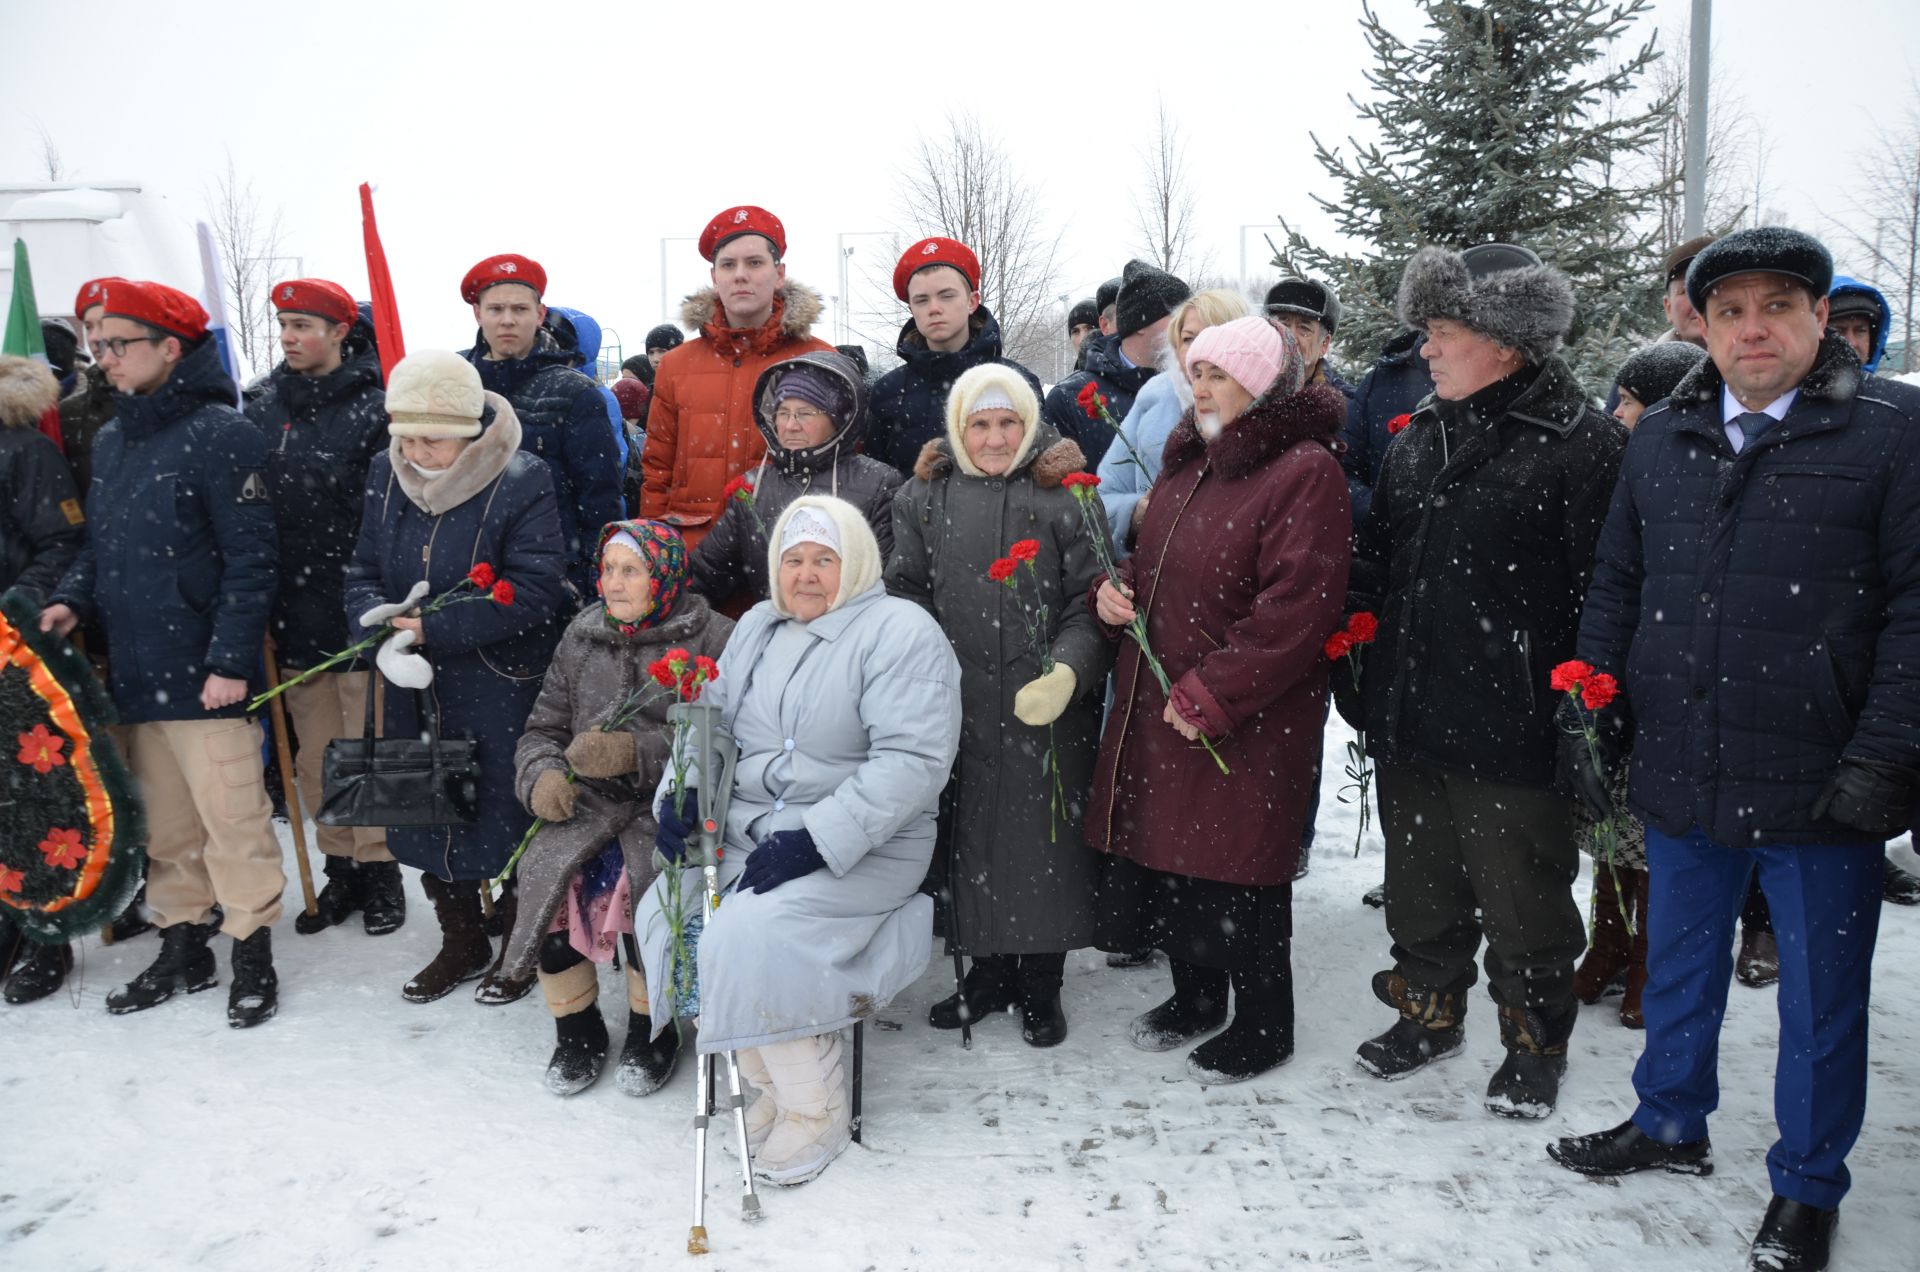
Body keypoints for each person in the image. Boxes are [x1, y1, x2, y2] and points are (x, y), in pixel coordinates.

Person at [1549, 228, 1920, 1272]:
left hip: (1823, 773)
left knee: (1819, 1003)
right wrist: (1596, 696)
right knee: (1676, 966)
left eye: (1778, 306)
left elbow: (1917, 612)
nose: (1753, 328)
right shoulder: (1665, 437)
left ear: (1815, 317)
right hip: (1684, 754)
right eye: (1730, 311)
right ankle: (1668, 1120)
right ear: (1701, 326)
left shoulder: (1893, 433)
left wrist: (1887, 753)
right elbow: (1617, 580)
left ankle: (1807, 1186)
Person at [1343, 245, 1625, 1118]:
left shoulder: (1583, 447)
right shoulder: (1419, 437)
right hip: (1412, 713)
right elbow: (1379, 567)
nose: (1425, 349)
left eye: (1444, 332)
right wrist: (1363, 656)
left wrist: (1583, 717)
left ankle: (1534, 1044)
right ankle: (1427, 1013)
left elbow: (1606, 596)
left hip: (1514, 726)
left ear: (1506, 341)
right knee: (1421, 885)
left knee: (1524, 899)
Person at [634, 494, 961, 1186]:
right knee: (672, 912)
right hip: (752, 829)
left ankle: (815, 1108)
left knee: (751, 932)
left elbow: (913, 762)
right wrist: (684, 791)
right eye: (793, 560)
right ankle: (770, 1087)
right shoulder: (757, 625)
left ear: (856, 564)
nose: (805, 576)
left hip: (867, 843)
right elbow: (709, 724)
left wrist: (817, 839)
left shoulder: (900, 631)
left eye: (823, 560)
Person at [1088, 315, 1351, 1083]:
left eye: (1217, 375)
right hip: (1163, 698)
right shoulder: (1189, 462)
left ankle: (1266, 1024)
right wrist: (1118, 590)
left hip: (1249, 714)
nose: (1198, 387)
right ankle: (1195, 998)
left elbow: (1297, 608)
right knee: (1174, 860)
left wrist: (1213, 691)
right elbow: (1153, 560)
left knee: (1242, 871)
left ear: (1262, 385)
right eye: (1194, 373)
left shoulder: (1303, 470)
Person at [40, 281, 285, 1028]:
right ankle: (184, 944)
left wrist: (230, 662)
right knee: (166, 830)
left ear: (170, 349)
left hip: (207, 676)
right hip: (137, 675)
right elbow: (100, 546)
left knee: (234, 822)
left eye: (118, 344)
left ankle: (251, 952)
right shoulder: (113, 438)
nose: (102, 358)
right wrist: (72, 599)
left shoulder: (222, 433)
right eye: (98, 345)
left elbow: (253, 560)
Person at [888, 363, 1111, 1047]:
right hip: (957, 700)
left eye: (1007, 422)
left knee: (1043, 842)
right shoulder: (924, 496)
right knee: (970, 838)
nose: (993, 437)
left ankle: (1041, 983)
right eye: (979, 424)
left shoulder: (1066, 496)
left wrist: (1067, 672)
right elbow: (907, 588)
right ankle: (984, 974)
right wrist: (926, 667)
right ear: (958, 428)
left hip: (1044, 701)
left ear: (1029, 424)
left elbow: (1090, 598)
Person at [343, 350, 568, 1006]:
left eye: (430, 439)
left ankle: (519, 941)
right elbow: (359, 567)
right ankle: (461, 936)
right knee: (425, 814)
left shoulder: (521, 478)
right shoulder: (384, 474)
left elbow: (535, 587)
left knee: (503, 814)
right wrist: (373, 622)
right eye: (404, 436)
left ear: (469, 432)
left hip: (496, 680)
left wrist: (431, 629)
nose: (414, 451)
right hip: (409, 682)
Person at [506, 520, 732, 1096]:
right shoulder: (582, 636)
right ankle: (576, 1029)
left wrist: (637, 753)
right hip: (584, 803)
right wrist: (542, 777)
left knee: (643, 895)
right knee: (545, 880)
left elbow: (724, 742)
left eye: (629, 570)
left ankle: (651, 1028)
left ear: (663, 575)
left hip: (669, 808)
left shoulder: (711, 638)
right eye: (607, 569)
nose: (613, 583)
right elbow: (542, 729)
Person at [245, 278, 405, 938]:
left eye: (304, 324)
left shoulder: (374, 408)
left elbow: (386, 516)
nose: (289, 336)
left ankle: (380, 872)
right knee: (315, 756)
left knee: (366, 752)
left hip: (357, 604)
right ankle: (339, 869)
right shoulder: (259, 407)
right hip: (292, 611)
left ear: (341, 332)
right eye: (283, 323)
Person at [1569, 339, 1708, 1030]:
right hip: (1611, 669)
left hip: (1665, 675)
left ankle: (1650, 953)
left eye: (1626, 401)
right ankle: (1609, 942)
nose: (1614, 412)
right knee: (1610, 819)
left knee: (1650, 829)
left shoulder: (1684, 474)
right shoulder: (1613, 470)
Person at [639, 206, 832, 548]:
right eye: (728, 265)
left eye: (754, 263)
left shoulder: (820, 360)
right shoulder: (675, 366)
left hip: (786, 556)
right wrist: (655, 552)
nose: (740, 275)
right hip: (694, 552)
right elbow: (657, 473)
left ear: (780, 273)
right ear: (714, 277)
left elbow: (838, 471)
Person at [459, 255, 625, 603]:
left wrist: (589, 583)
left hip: (551, 578)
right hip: (464, 574)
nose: (507, 320)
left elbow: (600, 502)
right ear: (478, 314)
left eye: (519, 309)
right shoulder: (455, 385)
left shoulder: (576, 394)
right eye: (496, 309)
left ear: (539, 314)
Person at [0, 355, 89, 1006]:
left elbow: (62, 543)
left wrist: (13, 609)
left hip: (12, 649)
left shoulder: (26, 451)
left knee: (32, 801)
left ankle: (47, 931)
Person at [689, 351, 899, 610]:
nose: (790, 425)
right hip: (778, 634)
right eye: (782, 412)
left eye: (805, 413)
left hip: (853, 637)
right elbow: (705, 573)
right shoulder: (754, 488)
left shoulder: (879, 484)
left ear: (838, 420)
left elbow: (890, 584)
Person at [864, 237, 1042, 477]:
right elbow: (878, 484)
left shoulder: (1018, 383)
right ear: (911, 309)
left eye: (946, 296)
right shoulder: (887, 391)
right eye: (922, 300)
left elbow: (1040, 472)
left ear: (972, 301)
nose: (934, 308)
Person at [1096, 289, 1248, 557]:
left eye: (1212, 336)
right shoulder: (1154, 398)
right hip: (1153, 577)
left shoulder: (1265, 412)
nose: (1199, 350)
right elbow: (1102, 497)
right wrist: (1135, 515)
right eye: (1189, 339)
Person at [1043, 260, 1191, 467]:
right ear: (1141, 322)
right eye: (1176, 316)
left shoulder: (1193, 387)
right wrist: (1127, 500)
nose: (1186, 326)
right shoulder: (1069, 399)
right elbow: (1060, 491)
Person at [1660, 234, 1715, 347]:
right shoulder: (1646, 364)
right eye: (1685, 290)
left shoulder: (1759, 362)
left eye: (1711, 287)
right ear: (1668, 308)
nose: (1700, 299)